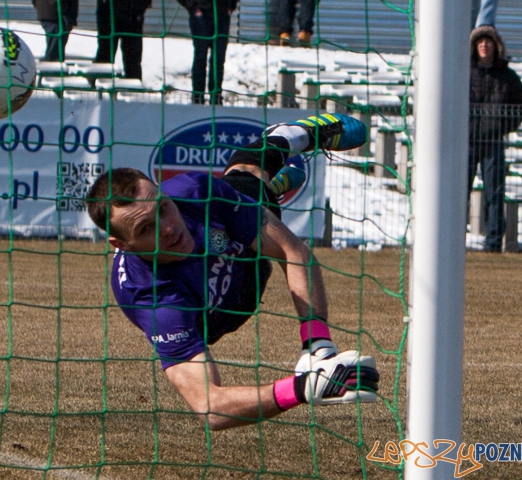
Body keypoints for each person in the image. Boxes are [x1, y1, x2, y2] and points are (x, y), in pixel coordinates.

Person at [85, 113, 379, 431]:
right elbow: (210, 407)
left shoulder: (194, 194)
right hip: (217, 316)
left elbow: (292, 251)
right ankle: (271, 187)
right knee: (252, 198)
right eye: (146, 228)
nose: (169, 228)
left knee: (247, 180)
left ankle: (286, 137)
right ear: (121, 244)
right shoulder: (155, 300)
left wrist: (318, 346)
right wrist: (302, 389)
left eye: (163, 208)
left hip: (245, 258)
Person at [468, 26, 522, 252]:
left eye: (489, 41)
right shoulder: (464, 71)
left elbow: (519, 107)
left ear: (496, 46)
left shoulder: (507, 77)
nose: (485, 45)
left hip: (493, 143)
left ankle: (493, 244)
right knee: (459, 192)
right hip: (468, 142)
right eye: (480, 41)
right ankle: (453, 243)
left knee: (495, 193)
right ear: (475, 46)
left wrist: (501, 128)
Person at [172, 0, 240, 106]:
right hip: (201, 14)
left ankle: (216, 96)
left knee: (218, 57)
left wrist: (230, 6)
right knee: (200, 55)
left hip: (222, 14)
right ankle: (197, 97)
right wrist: (193, 7)